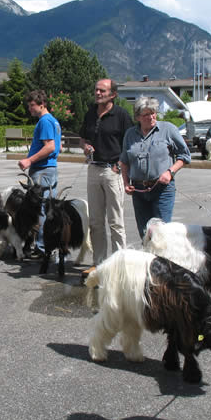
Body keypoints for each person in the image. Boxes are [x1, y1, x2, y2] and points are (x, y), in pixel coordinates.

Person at [79, 79, 134, 276]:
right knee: (95, 221)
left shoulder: (121, 115)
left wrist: (121, 164)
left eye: (102, 90)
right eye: (96, 90)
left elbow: (131, 142)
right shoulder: (90, 113)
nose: (98, 93)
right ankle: (99, 264)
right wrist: (85, 146)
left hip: (113, 172)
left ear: (113, 94)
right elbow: (83, 137)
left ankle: (120, 266)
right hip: (93, 169)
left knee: (116, 221)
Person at [119, 96, 190, 239]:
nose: (151, 117)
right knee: (145, 234)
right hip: (138, 190)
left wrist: (170, 172)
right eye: (146, 114)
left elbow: (185, 156)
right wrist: (126, 183)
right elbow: (125, 161)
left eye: (153, 113)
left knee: (162, 233)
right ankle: (149, 260)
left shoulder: (168, 129)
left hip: (162, 189)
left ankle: (165, 260)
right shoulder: (130, 134)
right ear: (138, 117)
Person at [18, 89, 62, 258]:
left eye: (32, 106)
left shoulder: (44, 121)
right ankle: (50, 245)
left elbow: (50, 146)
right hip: (49, 168)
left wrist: (29, 160)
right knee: (49, 207)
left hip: (42, 169)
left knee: (40, 209)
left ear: (42, 104)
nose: (29, 109)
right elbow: (57, 146)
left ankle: (43, 248)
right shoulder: (54, 121)